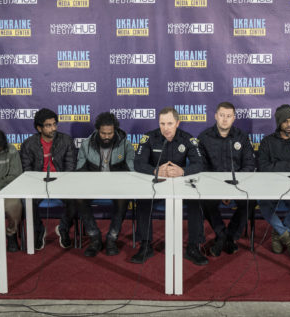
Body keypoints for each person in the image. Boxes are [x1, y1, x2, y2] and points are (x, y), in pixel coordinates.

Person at [132, 107, 206, 265]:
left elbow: (199, 164)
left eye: (170, 123)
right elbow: (138, 163)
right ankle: (145, 245)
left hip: (180, 184)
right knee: (143, 201)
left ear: (178, 123)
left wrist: (183, 171)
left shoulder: (187, 139)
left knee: (196, 202)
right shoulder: (149, 138)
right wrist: (155, 170)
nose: (166, 128)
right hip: (156, 184)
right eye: (162, 123)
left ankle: (193, 247)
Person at [197, 102, 255, 256]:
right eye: (221, 115)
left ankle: (230, 236)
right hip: (212, 186)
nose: (224, 119)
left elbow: (249, 165)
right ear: (216, 116)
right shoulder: (204, 137)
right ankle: (223, 235)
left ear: (234, 118)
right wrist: (221, 190)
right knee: (204, 200)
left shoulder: (241, 137)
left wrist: (232, 190)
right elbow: (202, 168)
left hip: (238, 185)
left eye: (228, 116)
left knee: (251, 201)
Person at [76, 112, 136, 257]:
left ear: (115, 130)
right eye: (103, 133)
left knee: (123, 199)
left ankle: (112, 238)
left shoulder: (125, 144)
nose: (107, 136)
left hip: (117, 185)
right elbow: (80, 170)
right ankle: (94, 237)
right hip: (92, 185)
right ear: (97, 131)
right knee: (79, 198)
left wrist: (122, 184)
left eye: (110, 133)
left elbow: (131, 170)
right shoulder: (86, 144)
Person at [257, 104, 290, 258]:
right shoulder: (267, 142)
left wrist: (277, 166)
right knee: (263, 204)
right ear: (279, 122)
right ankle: (287, 237)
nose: (289, 125)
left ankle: (278, 233)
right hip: (270, 186)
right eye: (285, 121)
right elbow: (263, 167)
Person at [20, 108, 77, 250]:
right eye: (48, 125)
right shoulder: (28, 144)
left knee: (76, 200)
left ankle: (63, 228)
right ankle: (39, 230)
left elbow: (70, 168)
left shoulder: (66, 140)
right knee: (26, 201)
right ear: (39, 128)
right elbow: (26, 171)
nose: (53, 128)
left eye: (54, 124)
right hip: (37, 184)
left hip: (62, 183)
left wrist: (60, 182)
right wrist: (38, 183)